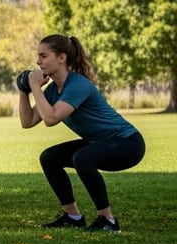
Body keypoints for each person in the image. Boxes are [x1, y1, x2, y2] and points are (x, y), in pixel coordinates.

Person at [19, 35, 145, 232]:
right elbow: (27, 122)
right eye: (38, 56)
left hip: (127, 144)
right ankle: (72, 216)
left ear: (61, 57)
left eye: (43, 56)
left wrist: (35, 86)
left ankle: (108, 221)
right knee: (50, 158)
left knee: (82, 158)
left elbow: (51, 119)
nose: (38, 61)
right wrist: (24, 90)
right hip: (100, 142)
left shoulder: (77, 85)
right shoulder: (53, 90)